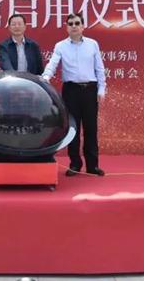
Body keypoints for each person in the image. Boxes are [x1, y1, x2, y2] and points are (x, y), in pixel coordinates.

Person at [42, 12, 107, 176]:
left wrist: (101, 89)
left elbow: (99, 68)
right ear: (66, 27)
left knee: (91, 129)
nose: (74, 26)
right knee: (73, 129)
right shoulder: (60, 46)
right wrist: (45, 77)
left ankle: (92, 166)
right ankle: (75, 164)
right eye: (70, 23)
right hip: (71, 91)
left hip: (90, 90)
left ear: (83, 26)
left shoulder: (93, 44)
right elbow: (53, 63)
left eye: (77, 23)